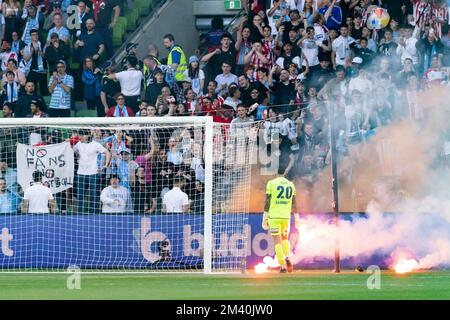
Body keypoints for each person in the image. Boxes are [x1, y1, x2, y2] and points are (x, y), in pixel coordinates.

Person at [262, 164, 300, 273]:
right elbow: (294, 203)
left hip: (274, 217)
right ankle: (288, 256)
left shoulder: (271, 184)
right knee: (284, 239)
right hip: (286, 217)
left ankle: (282, 266)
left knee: (277, 241)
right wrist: (297, 217)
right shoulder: (290, 185)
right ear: (285, 172)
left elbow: (267, 201)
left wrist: (265, 217)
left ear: (276, 172)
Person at [73, 129, 111, 214]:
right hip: (80, 173)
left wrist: (105, 165)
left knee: (94, 196)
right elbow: (73, 150)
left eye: (82, 135)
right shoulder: (78, 144)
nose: (80, 137)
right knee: (80, 196)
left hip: (93, 173)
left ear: (88, 136)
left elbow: (107, 152)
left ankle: (93, 215)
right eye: (79, 135)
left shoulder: (95, 144)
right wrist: (78, 157)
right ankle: (79, 215)